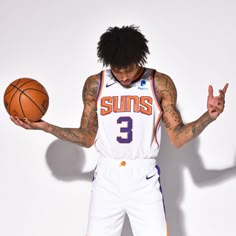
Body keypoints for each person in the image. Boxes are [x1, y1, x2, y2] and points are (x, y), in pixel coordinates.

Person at [11, 25, 228, 236]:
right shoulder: (96, 84)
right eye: (117, 70)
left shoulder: (159, 83)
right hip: (107, 176)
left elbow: (178, 138)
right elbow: (87, 137)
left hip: (143, 176)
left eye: (129, 69)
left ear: (139, 60)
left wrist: (208, 116)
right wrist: (47, 127)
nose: (124, 76)